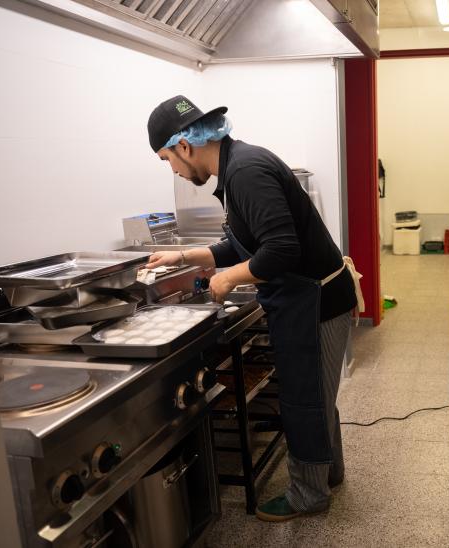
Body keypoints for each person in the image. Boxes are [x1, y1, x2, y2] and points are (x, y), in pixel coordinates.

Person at [144, 95, 362, 522]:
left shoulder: (244, 172)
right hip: (309, 298)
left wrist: (226, 279)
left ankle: (308, 495)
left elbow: (280, 250)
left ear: (185, 146)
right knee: (316, 393)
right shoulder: (237, 165)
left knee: (306, 399)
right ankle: (327, 473)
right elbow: (244, 243)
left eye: (167, 158)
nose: (171, 168)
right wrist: (185, 257)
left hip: (314, 300)